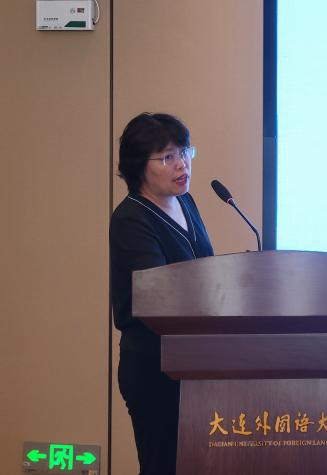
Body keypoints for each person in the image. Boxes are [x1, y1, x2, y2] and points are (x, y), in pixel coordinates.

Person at [110, 113, 214, 475]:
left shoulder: (186, 203)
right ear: (139, 166)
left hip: (195, 363)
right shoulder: (131, 218)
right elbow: (159, 292)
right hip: (154, 368)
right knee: (163, 466)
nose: (182, 164)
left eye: (184, 152)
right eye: (168, 157)